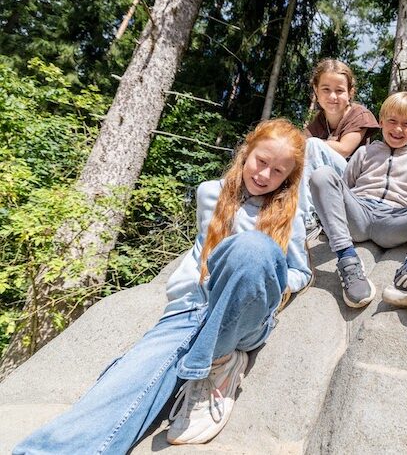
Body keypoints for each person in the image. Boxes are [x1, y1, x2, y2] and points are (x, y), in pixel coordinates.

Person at [14, 119, 312, 453]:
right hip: (195, 308)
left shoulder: (291, 214)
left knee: (252, 249)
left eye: (277, 172)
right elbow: (204, 251)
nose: (264, 175)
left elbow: (300, 272)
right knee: (129, 378)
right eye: (261, 162)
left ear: (288, 179)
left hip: (245, 317)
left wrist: (254, 276)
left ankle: (218, 364)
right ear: (247, 151)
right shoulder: (210, 193)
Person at [309, 92, 407, 310]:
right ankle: (347, 260)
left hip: (393, 222)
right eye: (392, 121)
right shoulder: (364, 152)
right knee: (322, 174)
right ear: (381, 122)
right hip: (358, 217)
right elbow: (344, 187)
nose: (398, 129)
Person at [300, 59, 380, 240]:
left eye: (339, 90)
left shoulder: (359, 114)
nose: (332, 96)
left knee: (312, 145)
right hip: (324, 182)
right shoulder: (318, 121)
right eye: (326, 89)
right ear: (316, 90)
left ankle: (309, 217)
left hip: (351, 186)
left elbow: (345, 148)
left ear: (350, 92)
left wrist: (312, 143)